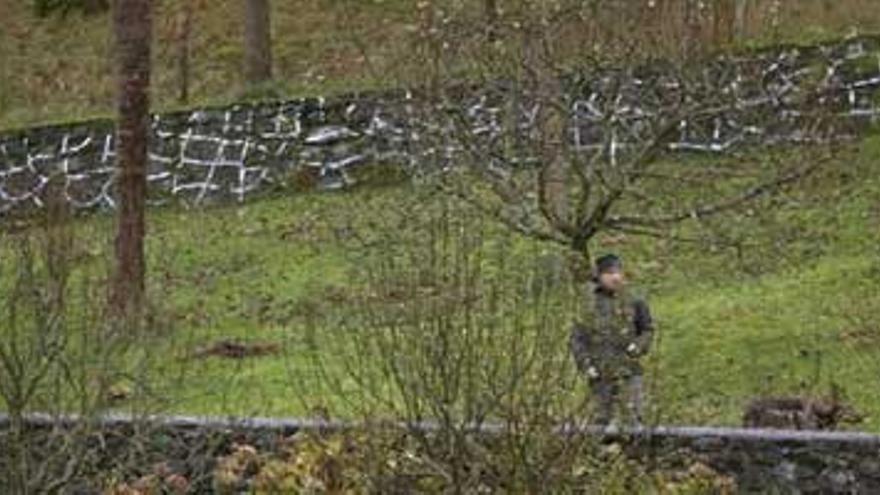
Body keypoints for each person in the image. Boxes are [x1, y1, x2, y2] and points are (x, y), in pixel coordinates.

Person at [570, 253, 654, 426]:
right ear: (599, 276)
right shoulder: (588, 304)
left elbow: (647, 329)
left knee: (633, 419)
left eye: (618, 272)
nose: (615, 277)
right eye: (609, 273)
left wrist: (637, 346)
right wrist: (585, 364)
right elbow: (577, 338)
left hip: (628, 370)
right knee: (600, 421)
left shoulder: (634, 300)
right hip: (599, 372)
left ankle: (635, 451)